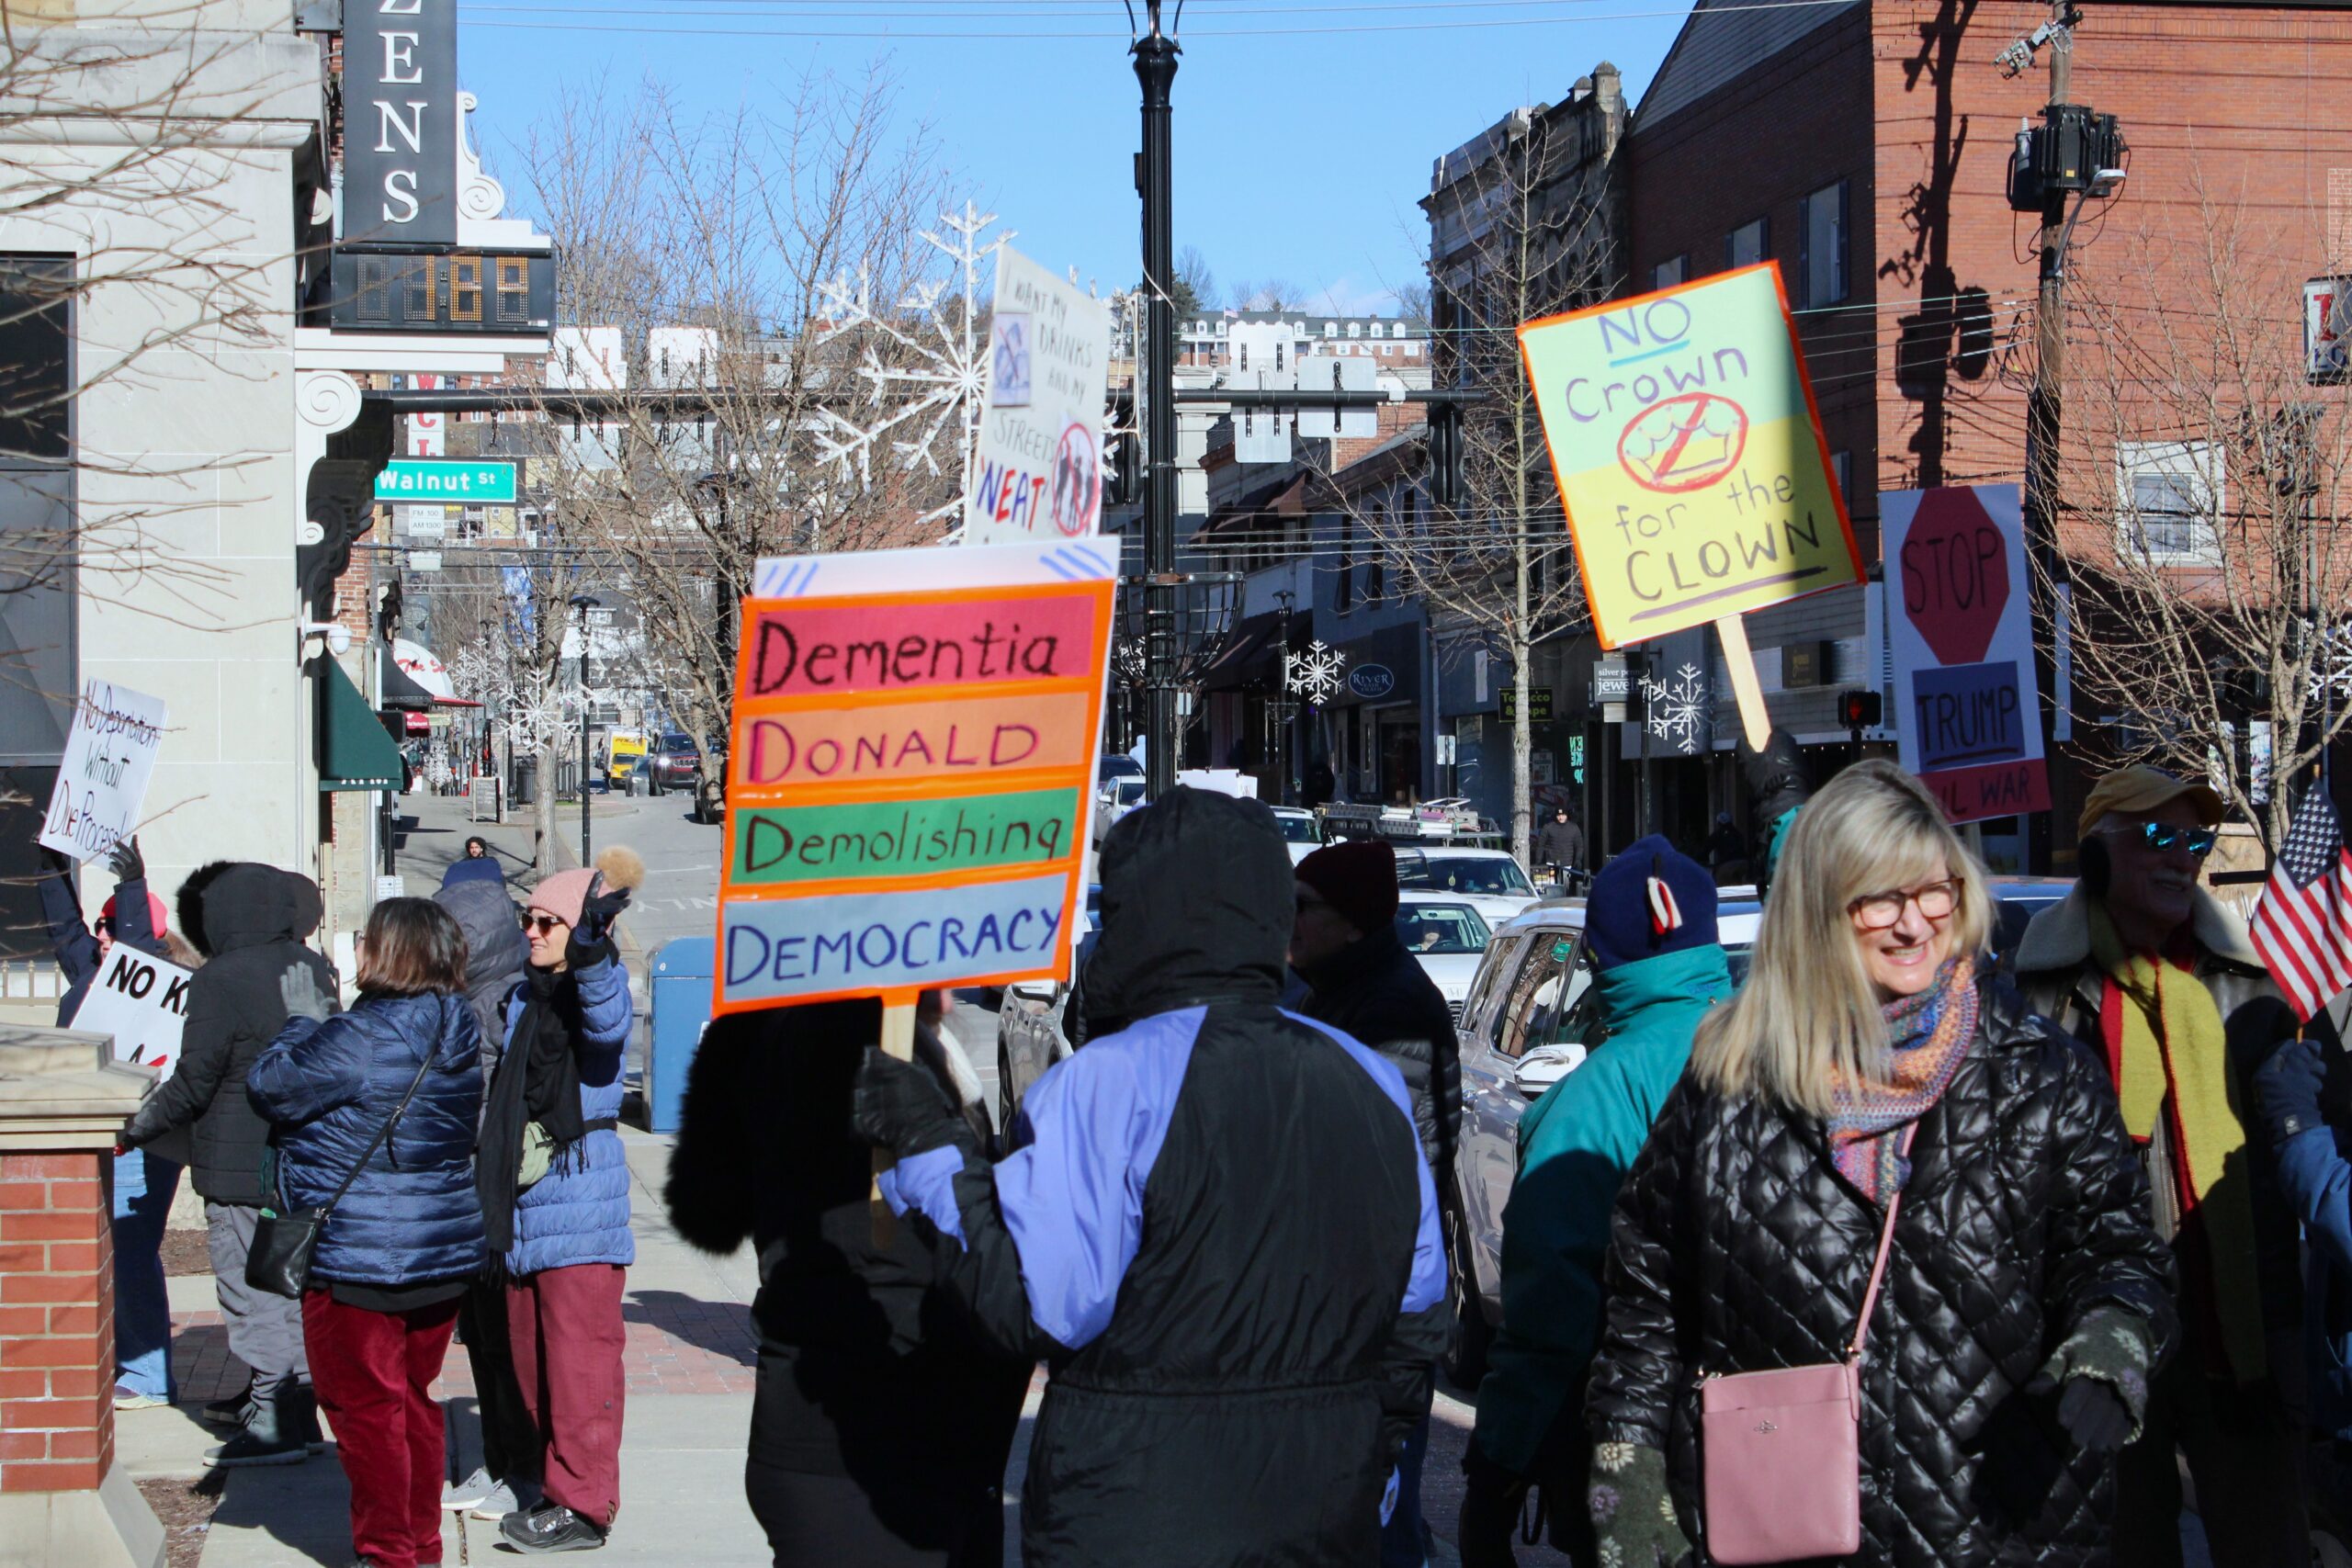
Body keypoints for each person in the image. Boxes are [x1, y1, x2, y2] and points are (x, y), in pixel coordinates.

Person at [1585, 761, 2176, 1568]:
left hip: (2004, 1528)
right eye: (1880, 898)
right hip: (1779, 1531)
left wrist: (2114, 1343)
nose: (1915, 922)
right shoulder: (1728, 1082)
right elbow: (1647, 1300)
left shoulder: (2043, 1077)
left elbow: (2119, 1251)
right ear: (1818, 912)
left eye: (1936, 891)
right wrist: (1629, 1470)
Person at [854, 786, 1445, 1568]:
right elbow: (1419, 1308)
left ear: (1143, 918)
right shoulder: (1368, 1078)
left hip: (1134, 1510)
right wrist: (1373, 1450)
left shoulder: (1108, 1082)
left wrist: (929, 1143)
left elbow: (1031, 1303)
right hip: (1323, 1510)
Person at [2015, 764, 2309, 1564]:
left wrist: (2285, 1337)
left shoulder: (2252, 992)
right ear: (2099, 855)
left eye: (2195, 839)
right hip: (2098, 1342)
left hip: (2235, 1345)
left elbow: (2294, 1171)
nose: (2183, 856)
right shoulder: (2037, 1000)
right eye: (2158, 836)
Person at [665, 995, 1029, 1568]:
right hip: (891, 1438)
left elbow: (706, 1214)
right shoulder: (889, 1052)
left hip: (816, 1425)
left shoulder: (755, 1035)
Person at [1459, 838, 1732, 1567]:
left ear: (1602, 961)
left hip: (1637, 1452)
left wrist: (1497, 1468)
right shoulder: (1802, 1056)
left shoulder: (1594, 1099)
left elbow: (1550, 1301)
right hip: (1796, 1448)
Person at [247, 897, 486, 1568]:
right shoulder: (456, 1026)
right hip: (439, 1251)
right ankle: (420, 1545)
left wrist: (300, 1021)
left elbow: (270, 1085)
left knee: (363, 1411)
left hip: (360, 1257)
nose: (355, 950)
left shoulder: (363, 1035)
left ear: (390, 952)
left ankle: (389, 1553)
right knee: (411, 1400)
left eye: (365, 939)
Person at [120, 863, 335, 1466]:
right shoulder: (309, 965)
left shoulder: (219, 979)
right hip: (300, 1163)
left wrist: (136, 1127)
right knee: (288, 1292)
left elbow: (194, 1081)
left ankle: (271, 1423)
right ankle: (296, 1413)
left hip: (237, 1165)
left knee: (251, 1294)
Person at [1288, 837, 1460, 1568]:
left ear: (1352, 922)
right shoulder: (1333, 991)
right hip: (1359, 1319)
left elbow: (1380, 1179)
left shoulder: (1391, 1011)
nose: (1289, 922)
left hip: (1377, 1322)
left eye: (1304, 909)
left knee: (1378, 1527)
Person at [482, 850, 639, 1554]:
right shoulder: (522, 997)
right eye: (530, 918)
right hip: (520, 1207)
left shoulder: (588, 989)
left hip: (578, 1203)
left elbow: (606, 1021)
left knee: (580, 1365)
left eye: (552, 921)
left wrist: (593, 953)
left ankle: (583, 1504)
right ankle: (550, 1482)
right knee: (530, 1362)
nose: (535, 931)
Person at [40, 838, 180, 1412]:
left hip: (142, 1145)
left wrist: (132, 882)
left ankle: (148, 1376)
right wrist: (48, 868)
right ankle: (117, 1361)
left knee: (128, 1251)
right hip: (95, 1136)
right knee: (98, 1251)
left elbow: (137, 945)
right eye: (101, 926)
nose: (102, 936)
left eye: (112, 926)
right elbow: (64, 931)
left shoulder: (151, 978)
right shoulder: (86, 975)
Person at [432, 874, 543, 1524]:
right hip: (470, 1201)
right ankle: (499, 1460)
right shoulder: (466, 1001)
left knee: (506, 1344)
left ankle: (521, 1470)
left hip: (497, 1201)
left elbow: (485, 1111)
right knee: (481, 1337)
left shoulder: (500, 1004)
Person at [1533, 807, 1585, 888]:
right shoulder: (1548, 827)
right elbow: (1540, 845)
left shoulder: (1574, 828)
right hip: (1551, 863)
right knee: (1551, 887)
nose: (1561, 817)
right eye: (1559, 815)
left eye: (1563, 815)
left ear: (1567, 815)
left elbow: (1579, 846)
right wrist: (1538, 861)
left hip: (1567, 864)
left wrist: (1578, 859)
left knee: (1566, 887)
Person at [440, 835, 504, 890]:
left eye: (476, 847)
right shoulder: (464, 863)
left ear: (481, 849)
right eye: (472, 848)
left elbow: (497, 878)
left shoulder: (491, 862)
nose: (474, 850)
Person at [1704, 812, 1747, 879]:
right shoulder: (1738, 834)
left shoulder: (1717, 835)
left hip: (1726, 864)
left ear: (1719, 823)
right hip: (1743, 863)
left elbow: (1706, 849)